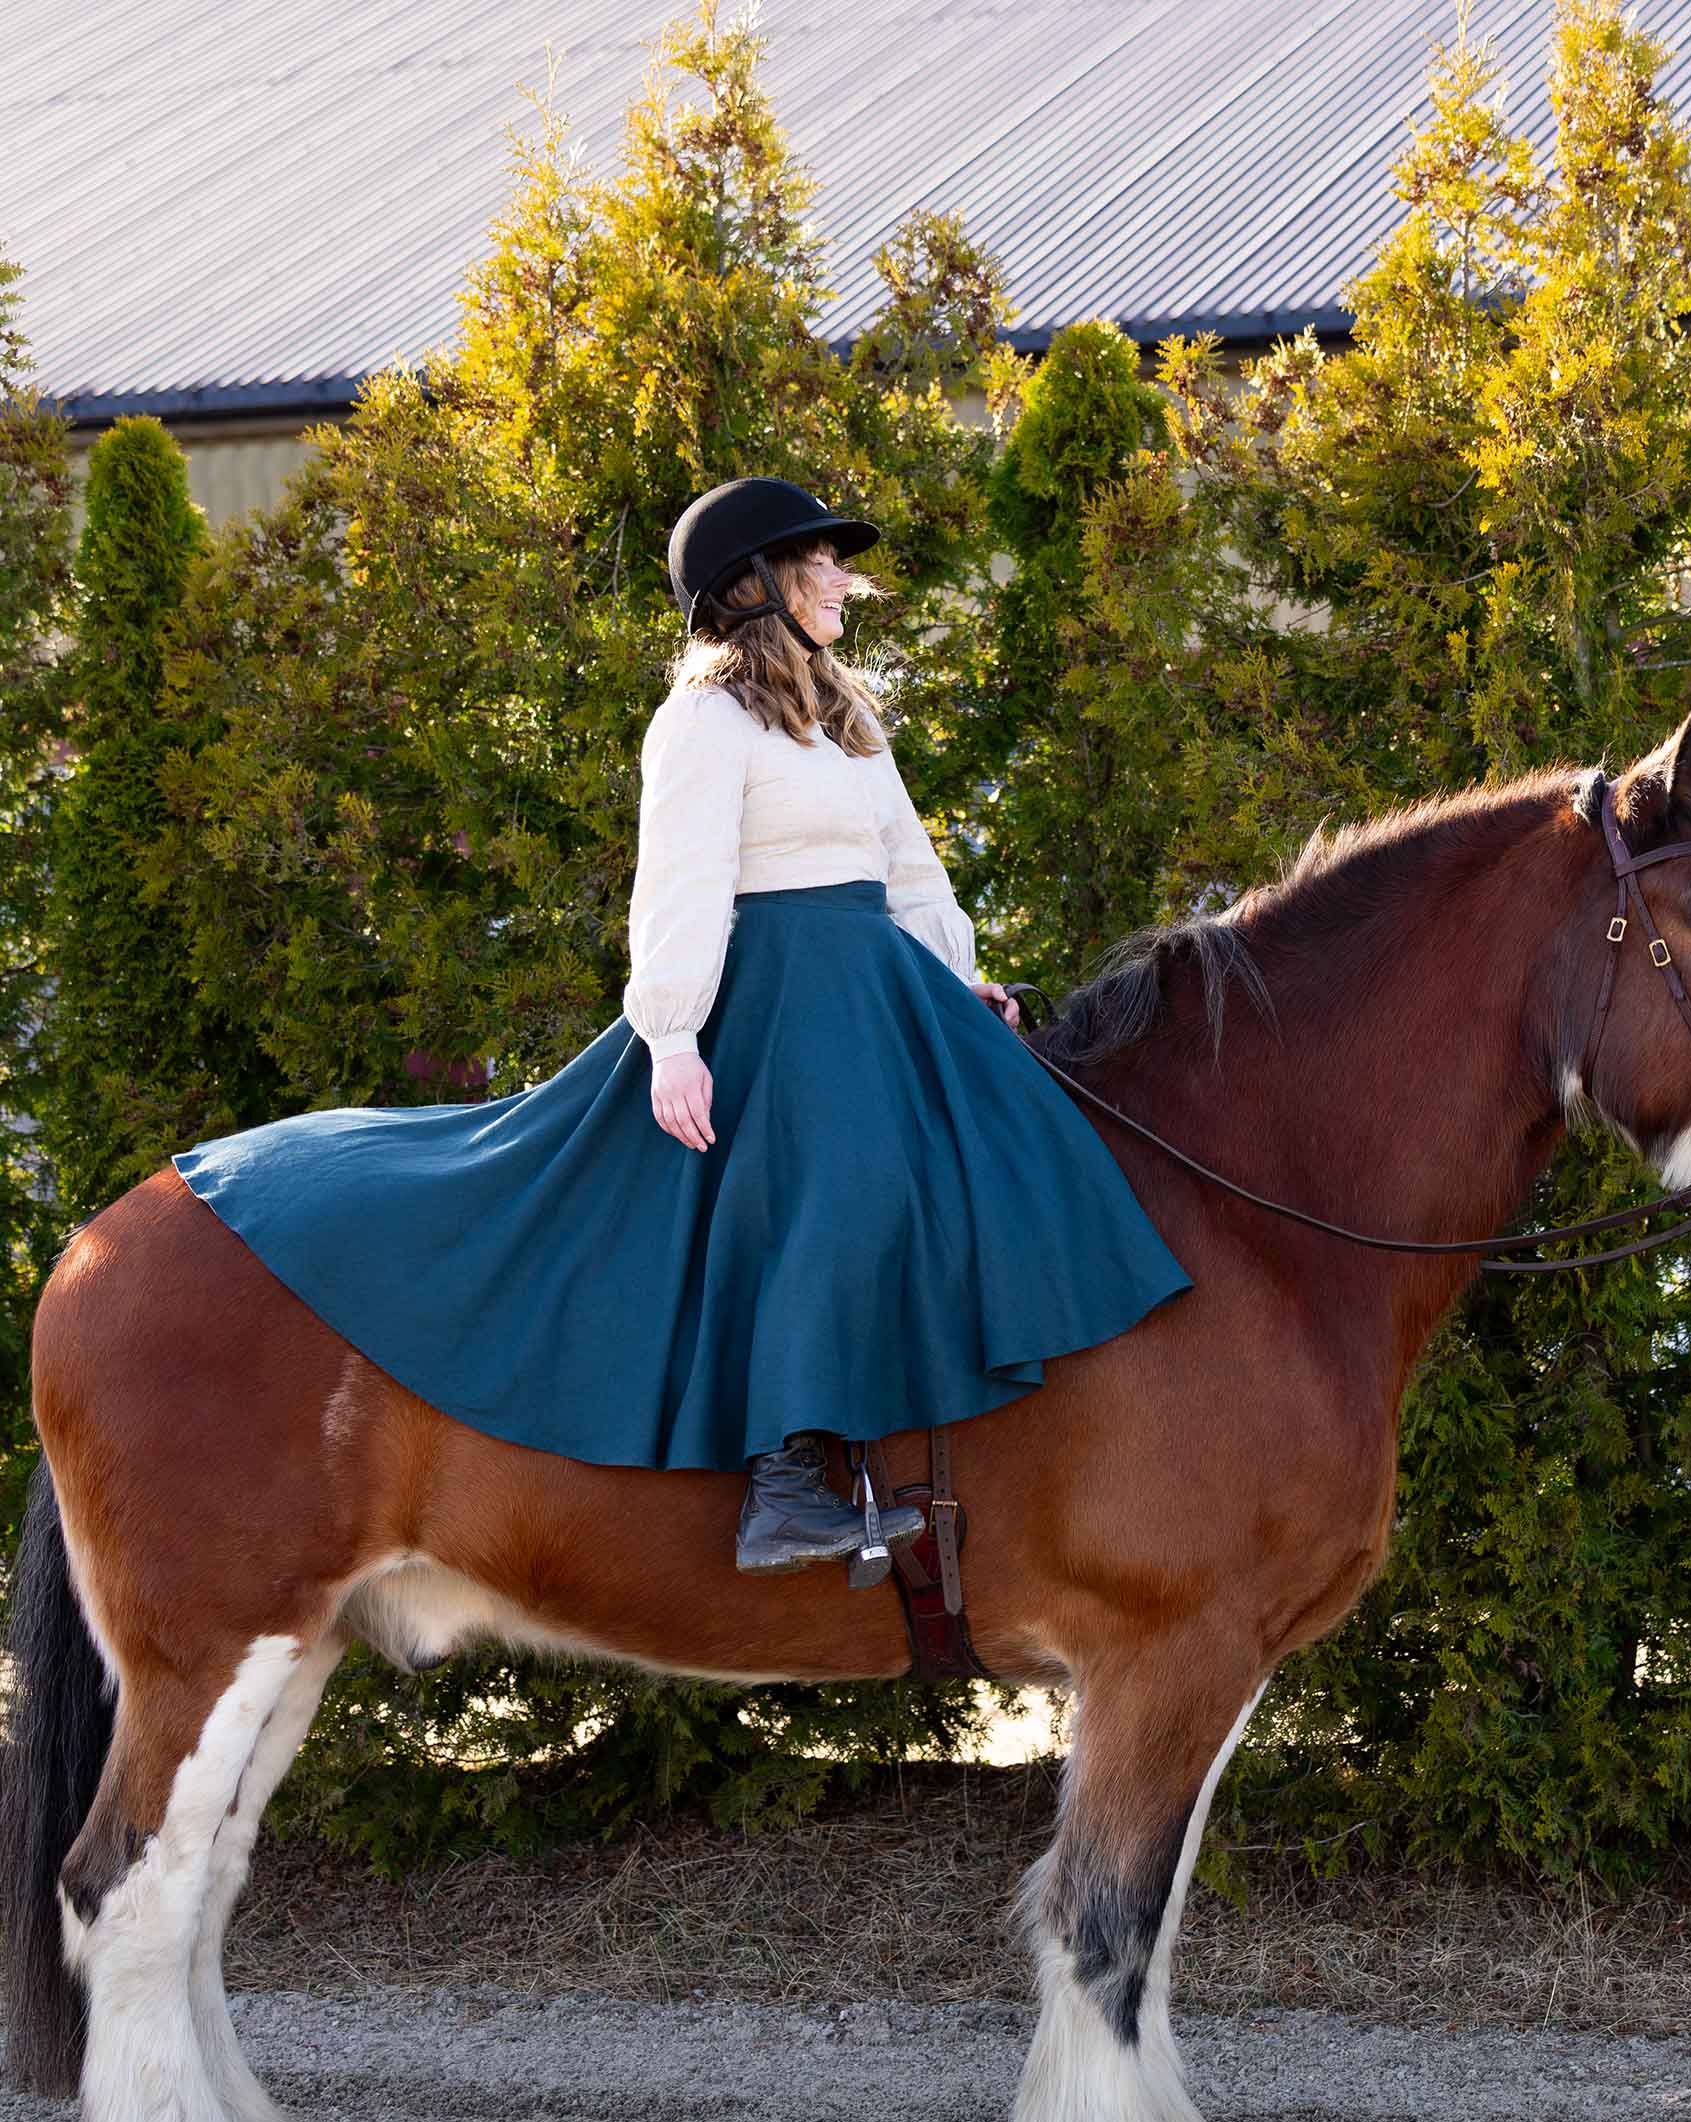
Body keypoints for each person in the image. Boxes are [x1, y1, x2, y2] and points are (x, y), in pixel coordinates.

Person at [170, 477, 1195, 1578]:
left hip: (877, 990)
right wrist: (669, 1037)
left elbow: (907, 867)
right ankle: (787, 1484)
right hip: (780, 1003)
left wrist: (961, 986)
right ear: (754, 584)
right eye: (823, 564)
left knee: (1009, 1144)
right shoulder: (703, 719)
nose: (846, 581)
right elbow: (684, 884)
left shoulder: (846, 714)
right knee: (834, 1191)